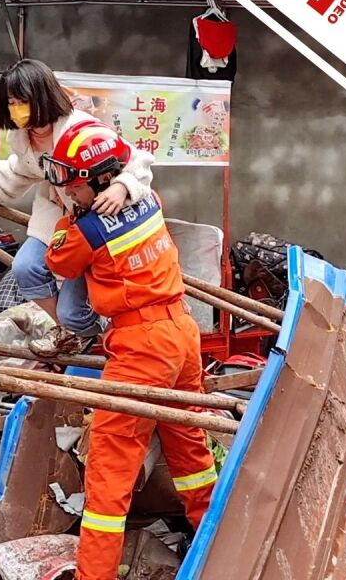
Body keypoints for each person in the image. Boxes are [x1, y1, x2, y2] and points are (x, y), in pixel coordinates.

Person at [41, 120, 216, 580]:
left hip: (141, 346)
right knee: (190, 451)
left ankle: (94, 574)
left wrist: (68, 216)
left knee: (109, 469)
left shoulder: (88, 228)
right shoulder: (150, 200)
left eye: (72, 184)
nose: (67, 190)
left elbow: (57, 259)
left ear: (99, 181)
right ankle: (216, 543)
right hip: (181, 331)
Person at [0, 58, 155, 356]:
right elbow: (22, 169)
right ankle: (74, 333)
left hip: (99, 222)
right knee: (26, 267)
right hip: (60, 216)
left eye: (23, 101)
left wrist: (122, 188)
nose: (17, 108)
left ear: (42, 97)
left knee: (74, 306)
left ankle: (83, 330)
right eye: (12, 102)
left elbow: (134, 159)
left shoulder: (81, 128)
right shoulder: (23, 137)